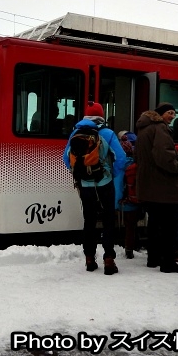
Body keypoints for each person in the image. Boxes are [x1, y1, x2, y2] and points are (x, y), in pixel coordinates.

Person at [63, 101, 126, 275]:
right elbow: (120, 159)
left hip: (85, 185)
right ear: (101, 115)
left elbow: (66, 159)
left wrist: (81, 174)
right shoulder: (108, 133)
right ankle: (108, 260)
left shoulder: (76, 132)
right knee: (108, 220)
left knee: (89, 220)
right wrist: (110, 174)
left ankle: (89, 259)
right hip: (104, 184)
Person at [135, 102, 178, 273]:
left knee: (155, 223)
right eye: (169, 113)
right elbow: (164, 155)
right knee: (169, 226)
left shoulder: (144, 129)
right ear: (160, 114)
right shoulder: (160, 128)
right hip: (163, 186)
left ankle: (153, 258)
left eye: (174, 114)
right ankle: (168, 262)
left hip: (149, 185)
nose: (172, 116)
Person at [115, 130, 139, 259]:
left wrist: (117, 200)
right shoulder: (136, 164)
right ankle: (131, 248)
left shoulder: (117, 165)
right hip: (134, 199)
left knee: (124, 224)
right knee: (132, 225)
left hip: (122, 200)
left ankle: (123, 246)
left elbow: (118, 185)